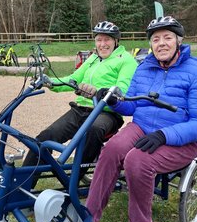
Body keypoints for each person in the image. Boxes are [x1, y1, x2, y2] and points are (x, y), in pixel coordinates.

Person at [85, 16, 197, 222]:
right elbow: (132, 106)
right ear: (150, 44)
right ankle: (88, 217)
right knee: (111, 151)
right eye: (155, 39)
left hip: (179, 140)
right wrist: (117, 102)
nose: (161, 43)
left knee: (138, 160)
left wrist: (164, 135)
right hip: (141, 127)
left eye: (167, 38)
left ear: (178, 41)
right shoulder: (144, 68)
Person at [22, 21, 138, 186]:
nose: (102, 44)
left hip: (106, 113)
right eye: (99, 40)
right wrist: (50, 82)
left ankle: (73, 179)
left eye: (107, 40)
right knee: (44, 138)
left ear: (116, 41)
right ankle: (24, 185)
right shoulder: (92, 58)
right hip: (80, 110)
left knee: (93, 129)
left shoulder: (126, 61)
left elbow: (122, 90)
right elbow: (73, 79)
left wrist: (98, 91)